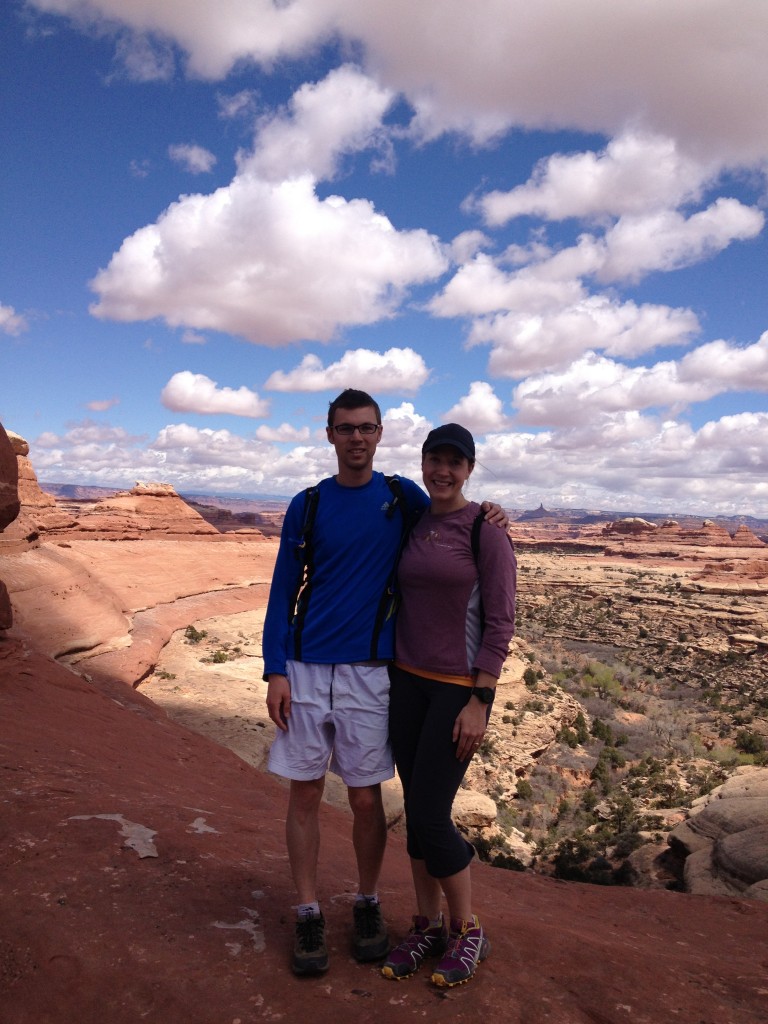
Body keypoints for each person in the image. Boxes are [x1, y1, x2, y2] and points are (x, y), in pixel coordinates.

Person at [262, 390, 508, 978]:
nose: (356, 438)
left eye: (366, 428)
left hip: (372, 672)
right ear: (329, 434)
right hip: (307, 666)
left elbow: (456, 516)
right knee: (303, 793)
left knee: (366, 796)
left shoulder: (402, 498)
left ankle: (369, 904)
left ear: (380, 434)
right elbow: (281, 588)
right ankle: (308, 910)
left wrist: (492, 512)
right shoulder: (309, 504)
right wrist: (275, 667)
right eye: (345, 429)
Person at [381, 423, 517, 988]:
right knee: (416, 813)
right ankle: (428, 925)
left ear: (469, 469)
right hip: (405, 683)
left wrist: (479, 699)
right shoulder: (414, 519)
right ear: (423, 463)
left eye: (454, 463)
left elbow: (500, 621)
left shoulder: (486, 530)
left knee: (434, 816)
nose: (443, 470)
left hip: (454, 690)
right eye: (434, 459)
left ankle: (467, 931)